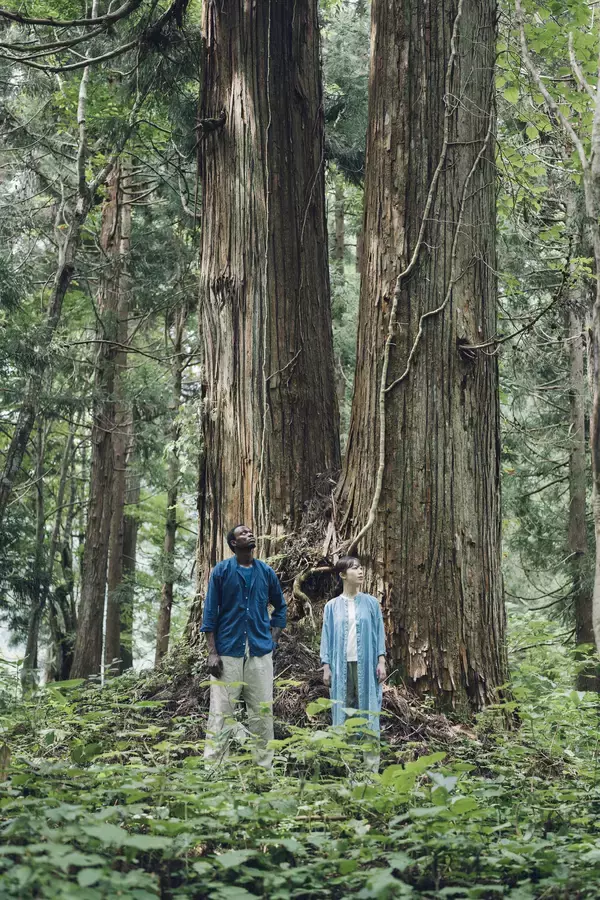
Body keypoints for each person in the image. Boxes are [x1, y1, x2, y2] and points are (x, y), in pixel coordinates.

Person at [201, 523, 287, 768]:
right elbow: (210, 613)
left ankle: (264, 770)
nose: (250, 534)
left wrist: (273, 639)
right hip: (228, 651)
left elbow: (280, 607)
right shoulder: (221, 571)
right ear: (233, 544)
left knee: (261, 713)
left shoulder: (266, 572)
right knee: (221, 713)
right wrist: (212, 652)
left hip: (260, 652)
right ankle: (213, 770)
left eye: (251, 532)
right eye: (243, 533)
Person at [320, 556, 386, 771]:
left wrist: (381, 660)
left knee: (369, 711)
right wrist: (327, 666)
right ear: (342, 575)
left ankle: (370, 770)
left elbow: (379, 633)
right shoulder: (331, 607)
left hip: (366, 666)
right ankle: (347, 766)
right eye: (354, 568)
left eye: (360, 568)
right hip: (340, 667)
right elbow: (326, 637)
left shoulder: (371, 603)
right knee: (343, 712)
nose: (360, 572)